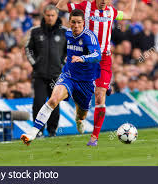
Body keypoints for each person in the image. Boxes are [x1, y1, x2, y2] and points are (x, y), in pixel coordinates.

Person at [56, 0, 137, 146]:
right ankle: (80, 118)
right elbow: (60, 6)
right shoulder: (84, 7)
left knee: (100, 96)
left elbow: (128, 14)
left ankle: (94, 137)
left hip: (104, 59)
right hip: (85, 59)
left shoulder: (111, 11)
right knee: (83, 104)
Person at [21, 9, 101, 146]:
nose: (76, 25)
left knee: (82, 114)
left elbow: (97, 55)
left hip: (85, 81)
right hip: (68, 75)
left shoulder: (89, 36)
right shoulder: (67, 33)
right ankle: (33, 132)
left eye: (79, 23)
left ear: (84, 23)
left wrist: (82, 58)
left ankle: (78, 119)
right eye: (73, 22)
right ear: (69, 22)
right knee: (53, 100)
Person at [25, 5, 67, 137]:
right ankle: (38, 130)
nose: (50, 18)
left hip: (57, 75)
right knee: (38, 102)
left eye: (52, 15)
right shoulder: (35, 31)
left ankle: (52, 130)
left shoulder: (65, 32)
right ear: (44, 15)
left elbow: (69, 51)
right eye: (48, 15)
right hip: (40, 74)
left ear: (57, 16)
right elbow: (28, 49)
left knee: (54, 102)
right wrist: (35, 64)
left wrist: (63, 64)